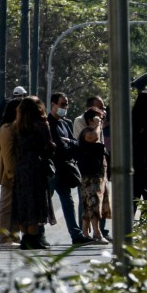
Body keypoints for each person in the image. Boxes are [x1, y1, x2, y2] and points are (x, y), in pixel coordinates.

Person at [12, 96, 59, 249]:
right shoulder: (41, 124)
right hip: (36, 167)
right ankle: (33, 238)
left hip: (22, 167)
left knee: (24, 202)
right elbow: (48, 145)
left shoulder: (18, 126)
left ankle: (25, 237)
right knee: (36, 202)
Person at [48, 92, 87, 245]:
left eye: (66, 104)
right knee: (46, 202)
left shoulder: (65, 123)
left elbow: (77, 144)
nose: (65, 107)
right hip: (52, 170)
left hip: (65, 169)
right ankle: (37, 233)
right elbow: (59, 147)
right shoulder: (48, 123)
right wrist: (69, 143)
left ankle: (76, 235)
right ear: (53, 105)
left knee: (68, 202)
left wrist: (69, 141)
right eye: (62, 104)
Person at [76, 109, 110, 242]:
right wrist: (98, 124)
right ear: (91, 120)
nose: (102, 120)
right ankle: (97, 233)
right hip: (90, 175)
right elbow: (93, 137)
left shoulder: (96, 130)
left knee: (89, 203)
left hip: (97, 174)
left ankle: (85, 231)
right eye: (99, 118)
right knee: (94, 202)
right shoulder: (87, 132)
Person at [0, 97, 21, 247]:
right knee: (6, 206)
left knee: (15, 207)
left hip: (16, 173)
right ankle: (4, 239)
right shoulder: (7, 128)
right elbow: (8, 154)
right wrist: (12, 173)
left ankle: (14, 237)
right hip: (9, 174)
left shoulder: (16, 127)